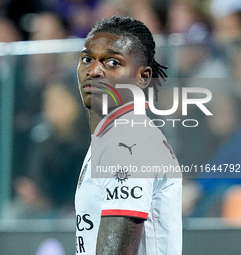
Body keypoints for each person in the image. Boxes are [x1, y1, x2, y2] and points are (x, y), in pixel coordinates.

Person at [75, 15, 182, 254]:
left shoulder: (129, 143)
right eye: (87, 59)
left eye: (112, 62)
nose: (94, 71)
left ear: (143, 77)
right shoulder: (113, 138)